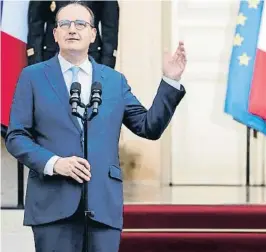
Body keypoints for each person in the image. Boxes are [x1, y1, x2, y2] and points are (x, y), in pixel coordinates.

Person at [5, 2, 186, 252]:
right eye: (64, 24)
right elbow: (16, 137)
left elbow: (148, 127)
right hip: (52, 208)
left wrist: (170, 81)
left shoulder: (113, 80)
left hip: (103, 209)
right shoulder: (33, 77)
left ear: (93, 34)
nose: (72, 30)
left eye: (81, 24)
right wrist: (54, 162)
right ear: (55, 33)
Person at [27, 0, 119, 68]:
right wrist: (36, 64)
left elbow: (110, 30)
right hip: (52, 56)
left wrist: (106, 66)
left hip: (91, 56)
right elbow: (35, 27)